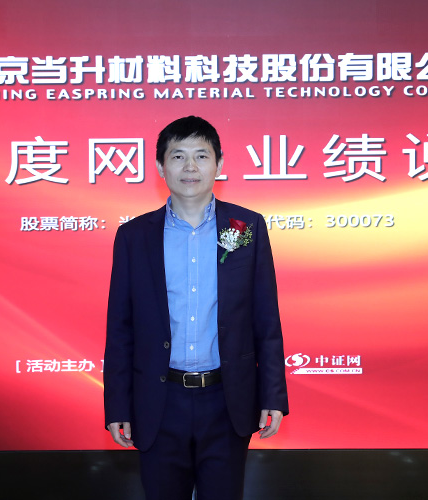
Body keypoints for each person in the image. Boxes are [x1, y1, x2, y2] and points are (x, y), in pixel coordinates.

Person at [103, 116, 289, 500]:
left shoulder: (244, 227)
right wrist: (118, 405)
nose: (190, 167)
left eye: (201, 156)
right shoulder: (134, 236)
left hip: (226, 399)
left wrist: (272, 396)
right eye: (178, 156)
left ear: (218, 165)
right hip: (159, 400)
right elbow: (120, 327)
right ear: (161, 166)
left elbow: (265, 319)